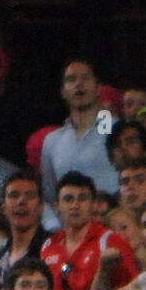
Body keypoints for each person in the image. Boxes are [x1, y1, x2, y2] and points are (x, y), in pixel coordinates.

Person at [40, 60, 120, 212]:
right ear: (63, 92)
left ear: (98, 89)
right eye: (71, 79)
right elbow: (49, 195)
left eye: (86, 78)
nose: (79, 84)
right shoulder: (52, 141)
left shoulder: (115, 129)